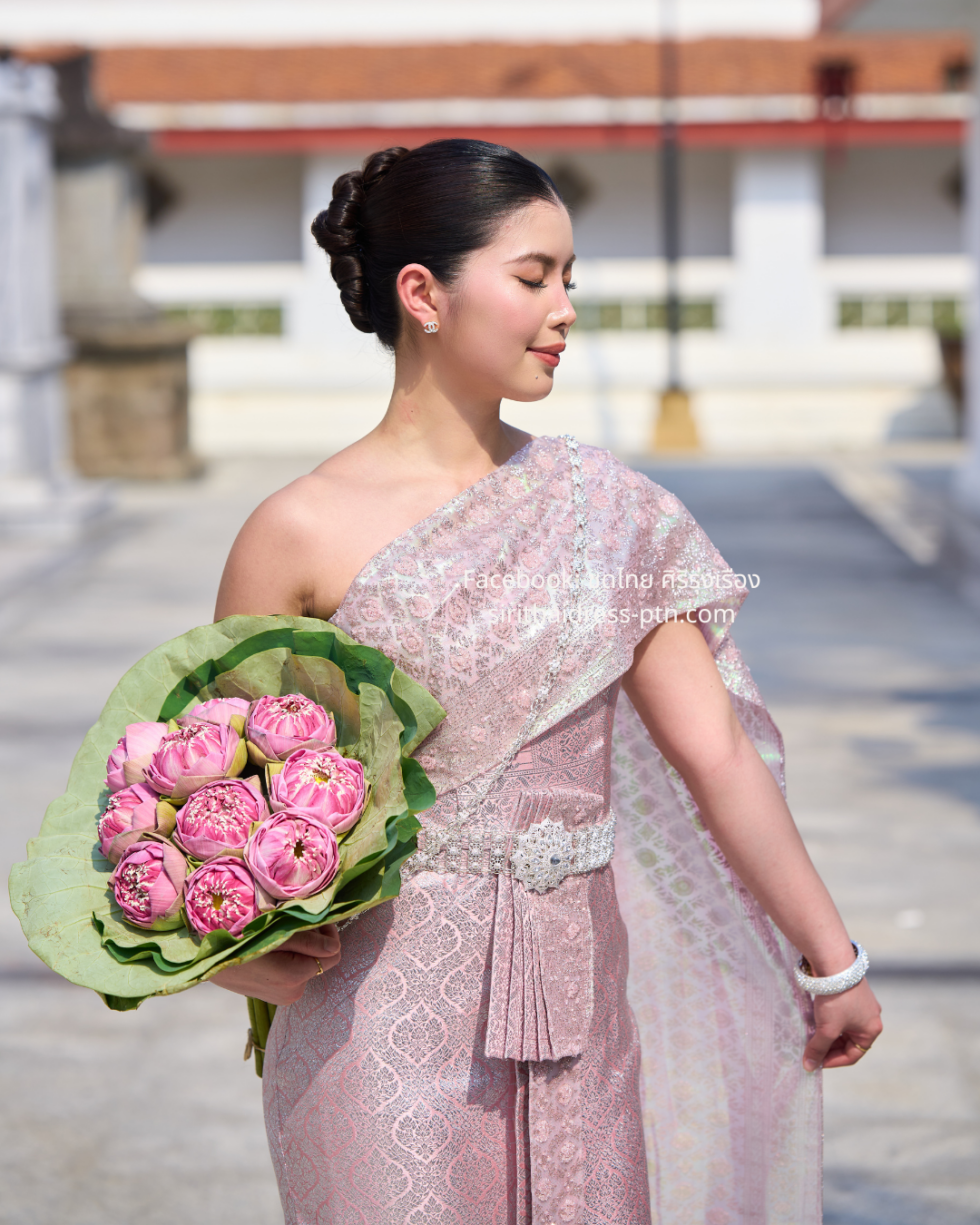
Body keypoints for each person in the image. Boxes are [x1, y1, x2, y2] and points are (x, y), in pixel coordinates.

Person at [210, 139, 882, 1224]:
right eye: (533, 277)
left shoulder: (613, 515)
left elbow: (715, 754)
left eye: (569, 277)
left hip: (578, 1007)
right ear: (422, 293)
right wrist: (229, 956)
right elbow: (217, 798)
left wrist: (829, 959)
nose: (564, 308)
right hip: (370, 1018)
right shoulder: (294, 532)